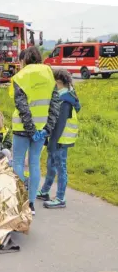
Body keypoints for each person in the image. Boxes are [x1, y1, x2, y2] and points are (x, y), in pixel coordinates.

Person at [12, 46, 60, 215]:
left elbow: (22, 105)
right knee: (34, 163)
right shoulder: (49, 73)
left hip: (22, 128)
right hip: (41, 128)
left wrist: (30, 129)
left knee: (17, 162)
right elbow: (55, 102)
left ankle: (19, 200)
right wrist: (47, 128)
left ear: (24, 59)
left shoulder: (20, 76)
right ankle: (31, 204)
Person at [37, 69, 81, 208]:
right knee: (51, 165)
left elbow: (60, 124)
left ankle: (61, 198)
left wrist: (53, 142)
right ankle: (45, 191)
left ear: (58, 82)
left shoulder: (65, 101)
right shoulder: (63, 96)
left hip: (61, 140)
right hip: (57, 139)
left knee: (60, 167)